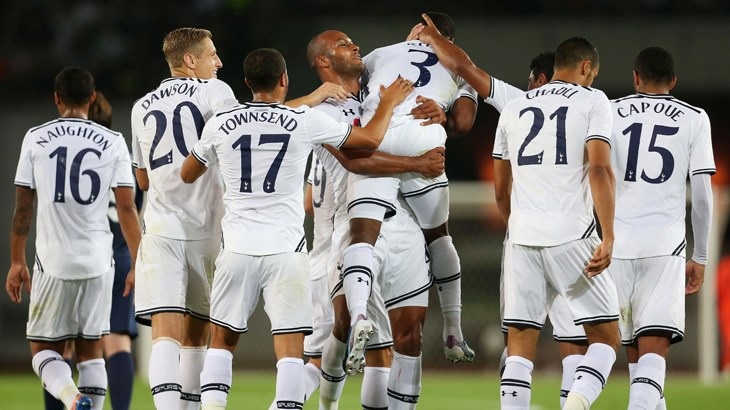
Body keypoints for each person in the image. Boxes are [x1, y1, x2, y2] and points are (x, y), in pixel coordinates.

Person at [180, 47, 413, 409]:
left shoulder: (221, 122)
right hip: (286, 253)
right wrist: (387, 103)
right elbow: (367, 141)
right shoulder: (304, 120)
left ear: (246, 83)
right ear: (284, 80)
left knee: (222, 343)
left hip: (237, 248)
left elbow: (188, 173)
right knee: (290, 351)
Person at [302, 29, 448, 409]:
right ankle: (327, 405)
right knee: (344, 327)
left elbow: (413, 72)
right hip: (350, 230)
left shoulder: (371, 94)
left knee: (394, 342)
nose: (356, 46)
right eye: (343, 45)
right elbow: (358, 157)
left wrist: (438, 109)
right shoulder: (324, 110)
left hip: (395, 226)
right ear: (323, 61)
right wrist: (418, 162)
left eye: (354, 41)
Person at [341, 12, 478, 370]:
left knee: (362, 237)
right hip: (425, 141)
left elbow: (348, 87)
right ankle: (453, 329)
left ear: (419, 30)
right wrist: (444, 114)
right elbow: (463, 123)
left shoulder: (380, 54)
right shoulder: (464, 67)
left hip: (379, 138)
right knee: (438, 238)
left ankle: (359, 316)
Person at [492, 37, 620, 410]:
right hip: (571, 234)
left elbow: (502, 190)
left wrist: (518, 226)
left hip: (522, 238)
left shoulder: (513, 108)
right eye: (592, 74)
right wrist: (608, 235)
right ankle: (575, 405)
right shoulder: (593, 100)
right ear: (585, 68)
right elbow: (598, 167)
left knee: (518, 344)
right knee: (607, 339)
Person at [5, 66, 141, 410]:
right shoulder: (113, 141)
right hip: (99, 261)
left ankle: (71, 396)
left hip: (53, 262)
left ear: (56, 99)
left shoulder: (35, 137)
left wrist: (17, 261)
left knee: (43, 352)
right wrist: (140, 263)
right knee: (92, 353)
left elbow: (23, 208)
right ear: (91, 98)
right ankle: (87, 400)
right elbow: (127, 209)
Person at [130, 27, 238, 410]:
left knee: (164, 336)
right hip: (208, 228)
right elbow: (238, 136)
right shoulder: (216, 91)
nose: (219, 62)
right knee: (197, 334)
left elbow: (141, 177)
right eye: (212, 55)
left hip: (160, 229)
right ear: (190, 61)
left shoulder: (141, 105)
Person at [609, 46, 715, 409]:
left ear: (635, 77)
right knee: (653, 350)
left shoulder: (609, 111)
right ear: (673, 81)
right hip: (664, 245)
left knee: (636, 358)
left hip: (615, 244)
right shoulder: (694, 117)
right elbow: (701, 195)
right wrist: (700, 254)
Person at [92, 91, 144, 410]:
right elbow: (131, 208)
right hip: (122, 255)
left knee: (74, 344)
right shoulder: (121, 150)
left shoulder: (70, 153)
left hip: (86, 256)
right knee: (118, 340)